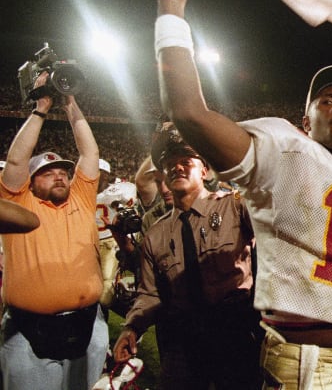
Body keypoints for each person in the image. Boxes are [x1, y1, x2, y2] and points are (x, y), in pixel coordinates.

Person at [150, 0, 332, 390]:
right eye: (328, 100)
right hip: (304, 365)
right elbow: (188, 113)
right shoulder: (282, 154)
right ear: (306, 121)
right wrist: (171, 9)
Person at [113, 131, 261, 389]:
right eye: (170, 163)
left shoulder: (234, 207)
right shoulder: (155, 234)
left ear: (204, 171)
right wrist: (132, 327)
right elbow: (151, 294)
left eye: (186, 160)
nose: (176, 166)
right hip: (184, 341)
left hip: (235, 333)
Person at [0, 73, 108, 390]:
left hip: (88, 324)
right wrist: (42, 107)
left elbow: (90, 154)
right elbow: (17, 160)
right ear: (29, 183)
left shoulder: (81, 199)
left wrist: (70, 103)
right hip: (27, 330)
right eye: (47, 174)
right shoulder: (19, 205)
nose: (59, 177)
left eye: (63, 172)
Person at [95, 158, 139, 313]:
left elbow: (132, 212)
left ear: (106, 175)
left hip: (110, 242)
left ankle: (131, 315)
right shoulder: (81, 192)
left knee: (105, 292)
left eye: (97, 171)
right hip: (89, 244)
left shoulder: (118, 190)